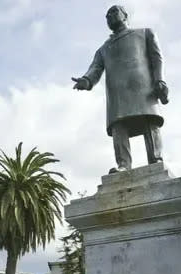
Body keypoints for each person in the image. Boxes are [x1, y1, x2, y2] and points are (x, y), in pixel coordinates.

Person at [72, 5, 169, 173]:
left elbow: (157, 58)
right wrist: (86, 81)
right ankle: (123, 164)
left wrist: (160, 80)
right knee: (119, 125)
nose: (110, 16)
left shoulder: (144, 33)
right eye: (107, 15)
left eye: (114, 11)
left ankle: (156, 159)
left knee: (149, 121)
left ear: (125, 16)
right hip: (117, 92)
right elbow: (95, 69)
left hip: (142, 86)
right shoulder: (103, 49)